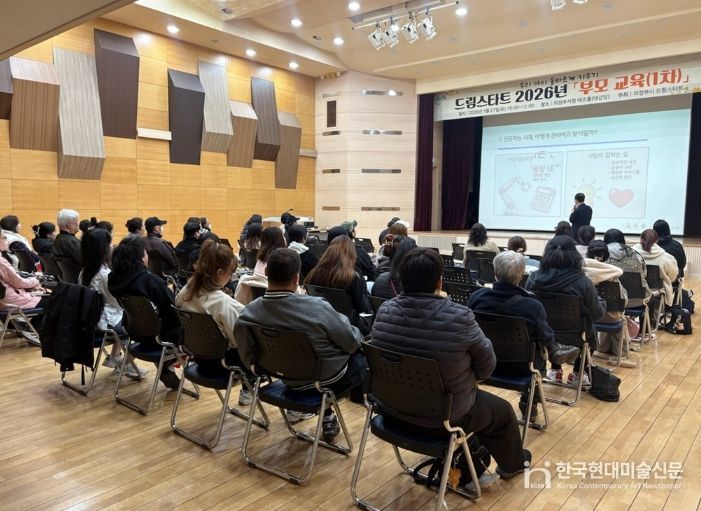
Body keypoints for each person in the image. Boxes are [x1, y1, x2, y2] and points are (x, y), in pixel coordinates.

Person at [372, 248, 531, 481]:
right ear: (439, 281)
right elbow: (487, 367)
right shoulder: (459, 316)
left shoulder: (384, 310)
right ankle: (513, 465)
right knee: (503, 411)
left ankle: (470, 455)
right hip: (444, 418)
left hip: (392, 410)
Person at [235, 248, 366, 437]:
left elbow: (247, 355)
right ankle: (329, 407)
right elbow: (351, 341)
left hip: (281, 373)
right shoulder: (317, 307)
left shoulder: (248, 313)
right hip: (323, 379)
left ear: (266, 273)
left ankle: (325, 412)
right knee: (360, 356)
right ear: (297, 279)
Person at [467, 251, 579, 420]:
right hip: (521, 369)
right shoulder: (532, 306)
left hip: (483, 363)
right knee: (538, 355)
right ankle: (529, 402)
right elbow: (545, 337)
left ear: (495, 272)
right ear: (521, 275)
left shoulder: (476, 298)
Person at [175, 240, 251, 405]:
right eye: (231, 273)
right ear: (220, 272)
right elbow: (239, 342)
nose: (231, 277)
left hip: (198, 358)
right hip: (223, 366)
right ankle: (249, 390)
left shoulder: (185, 291)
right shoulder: (224, 304)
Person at [525, 235, 605, 388]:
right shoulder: (582, 281)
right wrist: (602, 303)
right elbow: (596, 314)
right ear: (574, 255)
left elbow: (528, 307)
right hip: (576, 336)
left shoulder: (534, 278)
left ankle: (555, 370)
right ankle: (577, 374)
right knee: (591, 330)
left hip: (542, 334)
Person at [108, 237, 181, 389]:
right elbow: (174, 307)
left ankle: (167, 363)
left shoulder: (113, 279)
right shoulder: (150, 281)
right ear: (141, 258)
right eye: (146, 253)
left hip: (134, 331)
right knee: (192, 329)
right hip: (160, 336)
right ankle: (169, 363)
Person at [79, 228, 147, 380]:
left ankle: (115, 356)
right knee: (141, 326)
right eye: (110, 244)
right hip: (104, 322)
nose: (112, 246)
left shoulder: (85, 271)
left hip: (92, 319)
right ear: (102, 248)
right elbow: (118, 302)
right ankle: (126, 364)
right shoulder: (104, 275)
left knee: (127, 316)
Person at [305, 235, 373, 335]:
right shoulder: (352, 277)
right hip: (348, 327)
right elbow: (361, 308)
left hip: (321, 321)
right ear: (351, 253)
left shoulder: (313, 274)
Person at [583, 241, 636, 368]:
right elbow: (623, 299)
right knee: (618, 315)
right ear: (606, 255)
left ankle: (602, 347)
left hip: (587, 317)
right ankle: (621, 352)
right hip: (612, 317)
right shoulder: (613, 274)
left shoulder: (579, 273)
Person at [0, 232, 47, 342]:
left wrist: (31, 286)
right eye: (4, 237)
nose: (6, 240)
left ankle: (30, 328)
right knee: (55, 300)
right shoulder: (1, 262)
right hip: (10, 300)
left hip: (6, 298)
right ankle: (37, 330)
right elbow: (18, 282)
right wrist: (35, 281)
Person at [234, 226, 286, 305]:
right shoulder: (283, 260)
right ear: (280, 239)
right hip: (278, 301)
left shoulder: (260, 258)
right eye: (283, 235)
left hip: (258, 302)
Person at [604, 228, 651, 309]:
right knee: (651, 298)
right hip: (636, 301)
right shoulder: (637, 256)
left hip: (608, 302)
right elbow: (644, 275)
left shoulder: (601, 255)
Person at [633, 229, 678, 307]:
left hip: (635, 291)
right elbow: (672, 277)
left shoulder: (631, 255)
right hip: (657, 292)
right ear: (657, 241)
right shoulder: (667, 258)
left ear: (641, 239)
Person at [52, 209, 82, 283]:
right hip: (80, 282)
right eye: (77, 221)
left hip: (67, 282)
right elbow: (87, 264)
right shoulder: (71, 242)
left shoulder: (57, 240)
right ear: (69, 224)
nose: (79, 223)